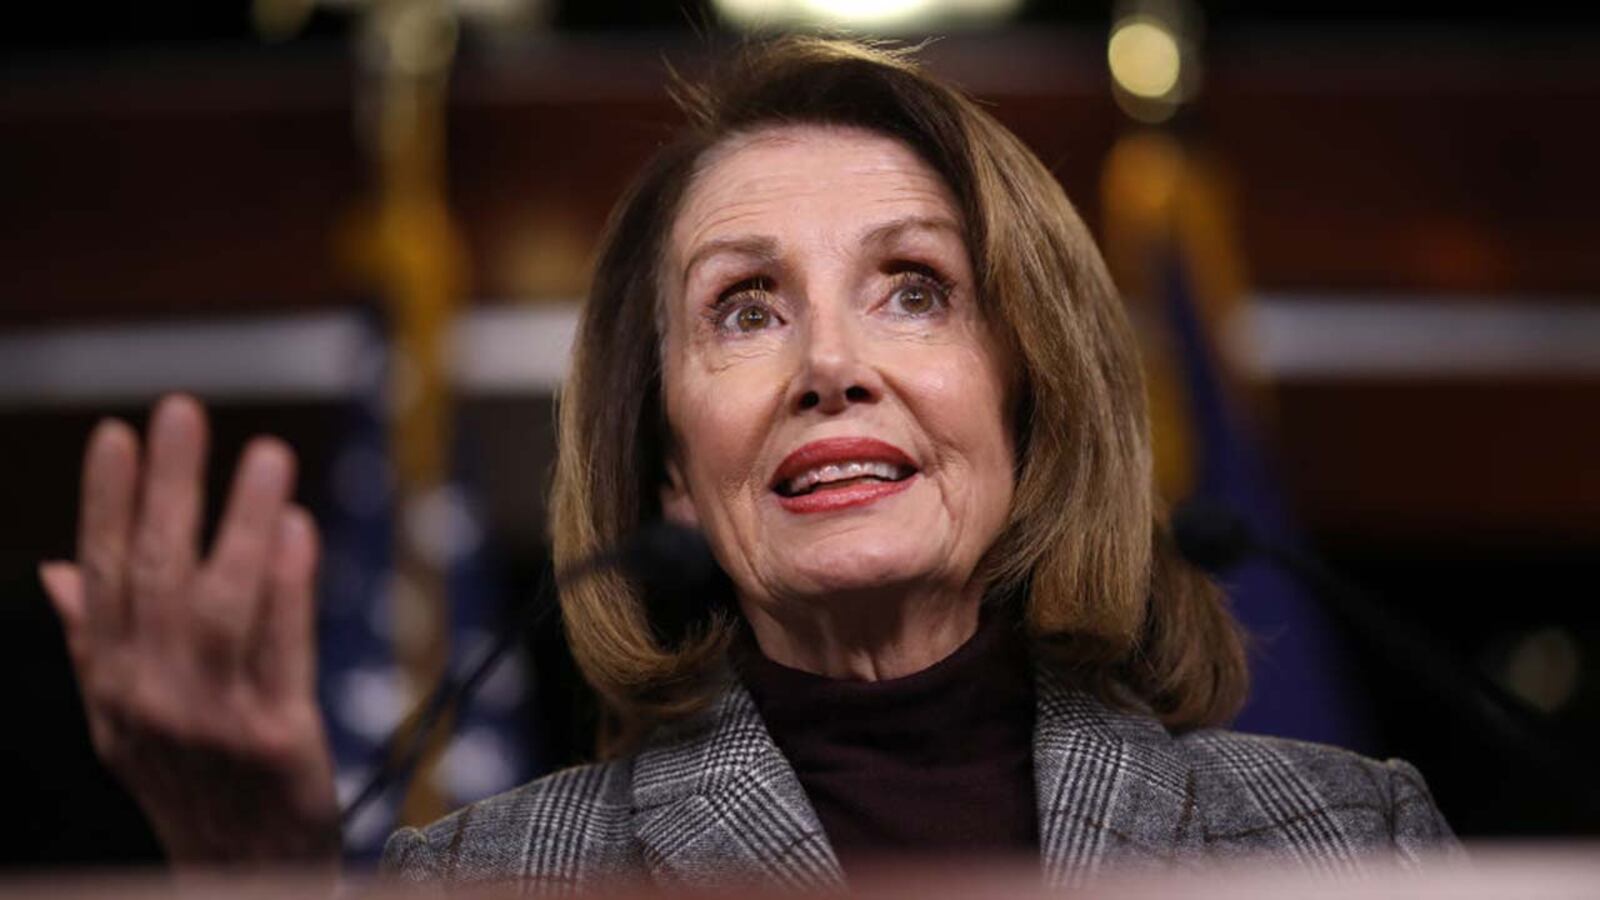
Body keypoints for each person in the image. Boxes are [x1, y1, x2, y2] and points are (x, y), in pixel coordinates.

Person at [39, 36, 1457, 891]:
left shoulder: (1345, 840)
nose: (830, 365)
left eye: (913, 287)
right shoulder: (477, 884)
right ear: (667, 469)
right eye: (745, 307)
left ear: (1033, 408)